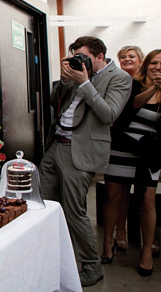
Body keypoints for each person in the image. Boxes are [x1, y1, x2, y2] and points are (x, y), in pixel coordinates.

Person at [39, 36, 131, 287]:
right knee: (42, 204)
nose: (80, 62)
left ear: (100, 56)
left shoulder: (120, 78)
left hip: (80, 152)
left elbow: (108, 114)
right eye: (76, 57)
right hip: (55, 145)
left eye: (85, 58)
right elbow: (53, 101)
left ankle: (91, 266)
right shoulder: (77, 74)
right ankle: (48, 256)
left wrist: (85, 83)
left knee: (73, 211)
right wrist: (65, 79)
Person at [102, 45, 144, 257]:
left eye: (131, 56)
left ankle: (135, 234)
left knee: (138, 196)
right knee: (115, 194)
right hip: (117, 143)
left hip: (140, 147)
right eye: (123, 57)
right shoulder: (116, 81)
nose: (127, 59)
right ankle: (116, 234)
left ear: (140, 60)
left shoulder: (146, 85)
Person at [127, 50, 160, 276]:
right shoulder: (134, 85)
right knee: (115, 196)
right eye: (154, 63)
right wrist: (155, 88)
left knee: (148, 201)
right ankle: (115, 240)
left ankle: (146, 250)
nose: (157, 67)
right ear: (146, 64)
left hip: (152, 153)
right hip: (126, 149)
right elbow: (133, 106)